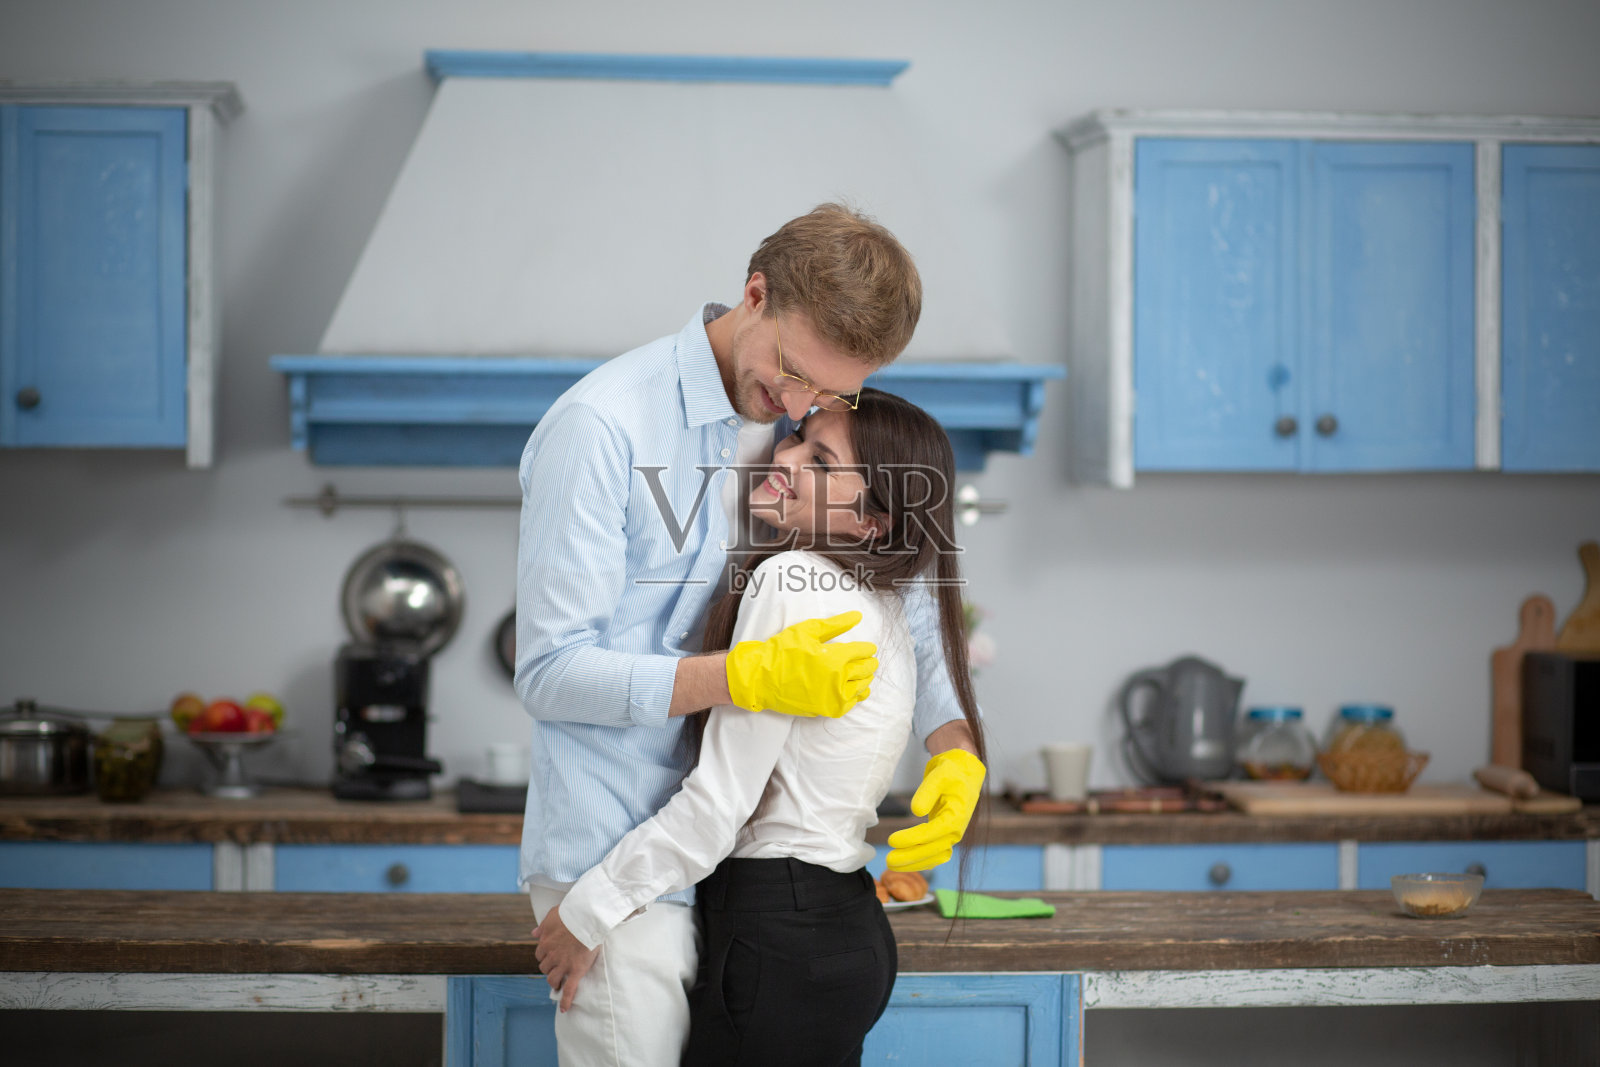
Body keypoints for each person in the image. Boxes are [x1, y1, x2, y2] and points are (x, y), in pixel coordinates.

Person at [515, 204, 987, 1067]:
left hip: (732, 873)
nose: (799, 410)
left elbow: (900, 575)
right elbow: (548, 670)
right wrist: (736, 677)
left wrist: (954, 745)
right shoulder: (603, 430)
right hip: (617, 855)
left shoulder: (795, 424)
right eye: (795, 374)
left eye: (828, 398)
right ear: (755, 295)